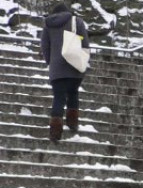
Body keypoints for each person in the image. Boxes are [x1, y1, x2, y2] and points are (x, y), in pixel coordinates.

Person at [39, 2, 89, 143]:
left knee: (58, 98)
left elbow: (45, 46)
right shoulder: (76, 21)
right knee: (73, 93)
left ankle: (55, 132)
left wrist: (51, 62)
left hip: (57, 69)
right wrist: (84, 59)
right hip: (74, 65)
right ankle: (72, 123)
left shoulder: (47, 24)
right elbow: (85, 43)